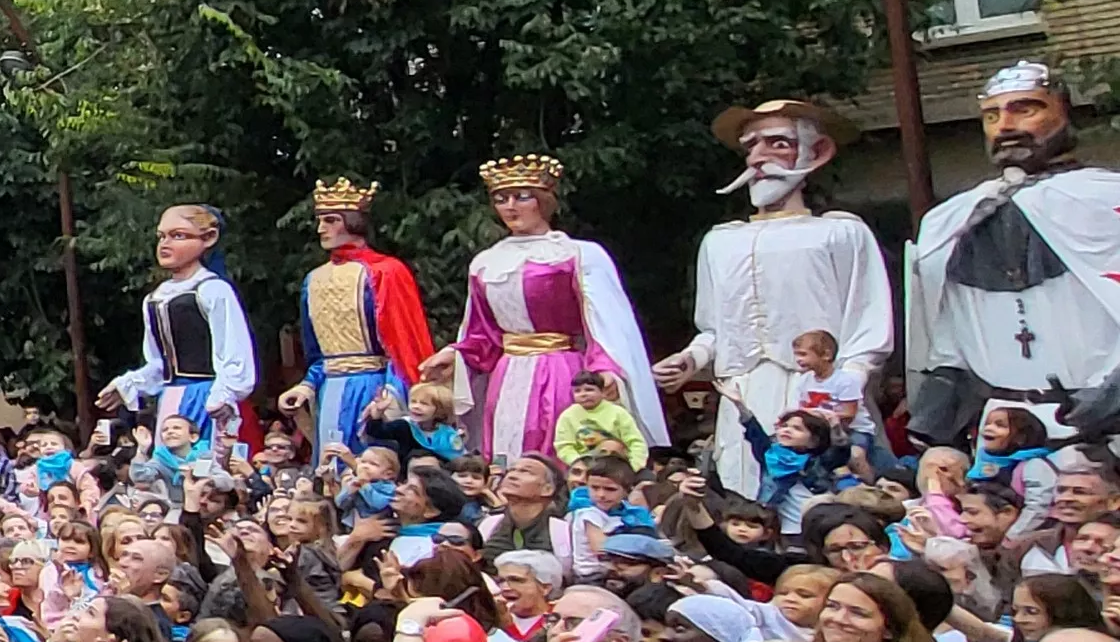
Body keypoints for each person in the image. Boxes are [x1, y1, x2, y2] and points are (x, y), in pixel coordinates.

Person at [658, 100, 897, 502]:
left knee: (819, 495)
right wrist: (690, 359)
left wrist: (843, 389)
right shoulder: (721, 241)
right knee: (745, 495)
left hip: (817, 393)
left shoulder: (840, 233)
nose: (758, 157)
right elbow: (715, 328)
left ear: (816, 152)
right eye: (750, 146)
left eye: (777, 143)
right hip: (746, 390)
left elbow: (868, 322)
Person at [908, 61, 1120, 446]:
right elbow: (948, 334)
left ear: (1065, 114)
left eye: (1025, 109)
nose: (1005, 126)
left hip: (1101, 427)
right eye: (992, 115)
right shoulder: (953, 219)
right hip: (999, 432)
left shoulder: (1107, 202)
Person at [425, 156, 664, 464]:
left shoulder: (576, 254)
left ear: (544, 201)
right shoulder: (486, 262)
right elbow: (483, 332)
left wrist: (605, 368)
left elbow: (605, 325)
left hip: (559, 370)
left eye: (522, 197)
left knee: (559, 449)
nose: (511, 207)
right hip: (507, 374)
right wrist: (455, 353)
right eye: (501, 199)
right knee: (505, 451)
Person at [272, 179, 435, 471]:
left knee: (372, 464)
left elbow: (403, 345)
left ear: (354, 222)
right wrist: (307, 385)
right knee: (329, 467)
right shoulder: (314, 279)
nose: (320, 229)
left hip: (373, 387)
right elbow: (318, 353)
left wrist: (391, 394)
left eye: (331, 220)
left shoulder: (386, 272)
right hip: (329, 391)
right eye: (320, 220)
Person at [103, 206, 257, 445]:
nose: (165, 244)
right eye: (161, 236)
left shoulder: (213, 290)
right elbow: (158, 363)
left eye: (178, 235)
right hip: (170, 398)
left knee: (200, 459)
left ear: (208, 238)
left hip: (207, 397)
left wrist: (223, 394)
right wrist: (130, 383)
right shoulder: (155, 298)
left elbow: (234, 352)